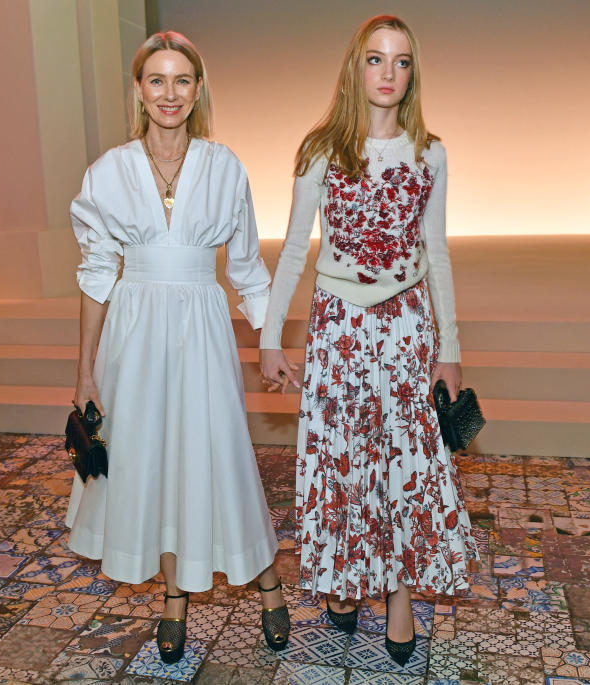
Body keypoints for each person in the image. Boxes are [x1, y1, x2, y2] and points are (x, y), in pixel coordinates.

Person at [259, 15, 480, 666]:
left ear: (414, 74)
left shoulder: (430, 152)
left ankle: (399, 593)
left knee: (406, 465)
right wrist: (271, 337)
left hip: (408, 325)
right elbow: (296, 247)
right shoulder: (320, 150)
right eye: (377, 60)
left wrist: (451, 346)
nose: (389, 73)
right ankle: (347, 575)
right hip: (339, 329)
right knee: (344, 461)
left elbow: (436, 251)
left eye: (402, 62)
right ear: (356, 68)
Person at [65, 31, 289, 664]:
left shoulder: (224, 165)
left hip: (201, 328)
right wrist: (84, 368)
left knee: (220, 454)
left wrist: (270, 343)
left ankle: (267, 581)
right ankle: (173, 598)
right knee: (148, 460)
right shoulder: (107, 171)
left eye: (182, 80)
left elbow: (246, 269)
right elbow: (95, 275)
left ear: (198, 90)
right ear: (139, 89)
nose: (170, 93)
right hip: (132, 333)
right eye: (157, 80)